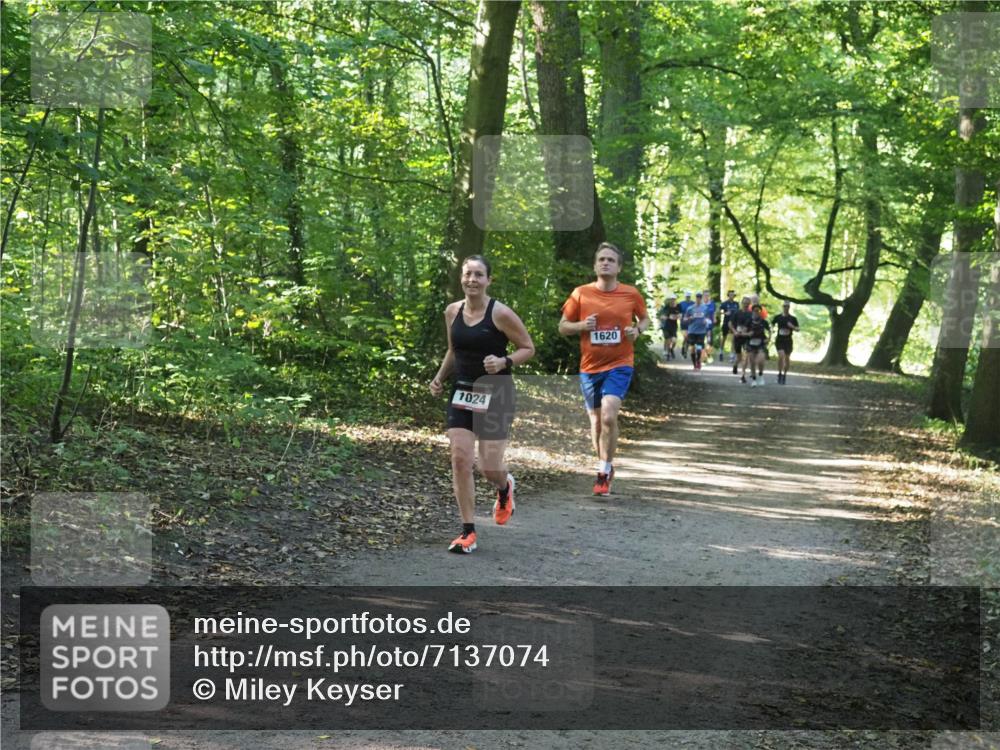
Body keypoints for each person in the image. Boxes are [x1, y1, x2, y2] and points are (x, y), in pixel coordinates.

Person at [429, 255, 535, 553]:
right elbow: (453, 350)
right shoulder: (452, 311)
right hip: (462, 392)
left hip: (496, 393)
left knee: (489, 467)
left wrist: (504, 361)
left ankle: (504, 488)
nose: (472, 280)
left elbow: (528, 348)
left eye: (478, 275)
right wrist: (439, 378)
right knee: (460, 459)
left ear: (488, 280)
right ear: (461, 278)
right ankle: (468, 531)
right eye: (467, 274)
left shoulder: (500, 313)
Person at [559, 242, 650, 496]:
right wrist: (581, 326)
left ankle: (602, 472)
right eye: (601, 259)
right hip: (590, 367)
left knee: (610, 416)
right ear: (595, 265)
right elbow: (563, 326)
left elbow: (644, 319)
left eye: (611, 260)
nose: (606, 263)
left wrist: (637, 330)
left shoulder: (630, 294)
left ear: (619, 267)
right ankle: (605, 464)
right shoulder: (581, 293)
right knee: (597, 422)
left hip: (620, 364)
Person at [771, 302, 800, 384]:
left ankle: (784, 375)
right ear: (782, 307)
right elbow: (771, 324)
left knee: (787, 358)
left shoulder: (793, 318)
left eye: (787, 306)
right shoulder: (778, 317)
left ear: (789, 307)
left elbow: (798, 329)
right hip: (780, 340)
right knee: (781, 356)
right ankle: (779, 374)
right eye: (784, 306)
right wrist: (772, 329)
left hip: (788, 341)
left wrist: (792, 327)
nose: (785, 307)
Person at [683, 291, 712, 370]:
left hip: (701, 331)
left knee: (699, 348)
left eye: (700, 297)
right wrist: (689, 318)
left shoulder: (705, 308)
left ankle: (698, 361)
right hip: (692, 331)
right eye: (697, 297)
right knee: (692, 348)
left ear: (701, 298)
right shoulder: (690, 308)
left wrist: (706, 321)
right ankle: (694, 364)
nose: (698, 299)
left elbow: (708, 318)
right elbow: (685, 319)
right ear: (695, 298)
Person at [745, 303, 771, 387]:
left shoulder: (764, 322)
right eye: (754, 311)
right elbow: (744, 332)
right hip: (751, 343)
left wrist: (768, 339)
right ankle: (754, 379)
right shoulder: (748, 321)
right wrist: (748, 333)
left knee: (760, 360)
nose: (756, 312)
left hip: (761, 343)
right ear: (752, 311)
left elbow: (770, 331)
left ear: (760, 312)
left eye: (758, 311)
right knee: (752, 362)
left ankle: (760, 375)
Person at [731, 295, 753, 380]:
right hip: (737, 337)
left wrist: (748, 333)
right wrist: (735, 331)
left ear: (749, 304)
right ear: (742, 303)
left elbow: (753, 326)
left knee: (746, 356)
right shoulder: (737, 313)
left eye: (747, 303)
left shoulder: (751, 314)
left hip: (746, 338)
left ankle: (743, 375)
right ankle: (735, 365)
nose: (746, 305)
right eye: (744, 303)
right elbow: (730, 324)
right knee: (739, 357)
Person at [658, 293, 681, 360]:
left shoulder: (678, 307)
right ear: (670, 300)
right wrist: (666, 317)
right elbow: (662, 316)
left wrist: (678, 316)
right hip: (666, 326)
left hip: (674, 326)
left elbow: (680, 315)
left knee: (674, 341)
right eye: (671, 299)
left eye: (674, 299)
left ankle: (671, 350)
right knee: (668, 340)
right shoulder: (666, 307)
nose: (673, 300)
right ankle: (667, 353)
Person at [719, 290, 740, 363]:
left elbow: (738, 312)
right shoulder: (724, 303)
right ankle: (721, 352)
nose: (732, 296)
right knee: (724, 337)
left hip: (734, 324)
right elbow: (719, 311)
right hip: (726, 323)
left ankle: (732, 355)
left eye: (733, 295)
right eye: (730, 295)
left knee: (734, 339)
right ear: (728, 295)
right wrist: (725, 313)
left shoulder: (736, 304)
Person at [701, 290, 717, 363]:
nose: (706, 297)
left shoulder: (712, 304)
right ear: (703, 296)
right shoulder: (700, 304)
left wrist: (714, 318)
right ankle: (702, 357)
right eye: (705, 295)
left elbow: (714, 313)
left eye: (708, 295)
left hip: (709, 326)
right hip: (700, 326)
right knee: (701, 341)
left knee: (709, 341)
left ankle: (708, 354)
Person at [678, 291, 694, 358]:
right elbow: (678, 313)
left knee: (689, 338)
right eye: (687, 296)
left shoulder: (693, 303)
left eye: (689, 296)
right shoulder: (681, 304)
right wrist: (680, 317)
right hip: (683, 323)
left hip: (691, 323)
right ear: (685, 296)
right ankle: (683, 349)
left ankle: (685, 350)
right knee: (686, 337)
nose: (688, 297)